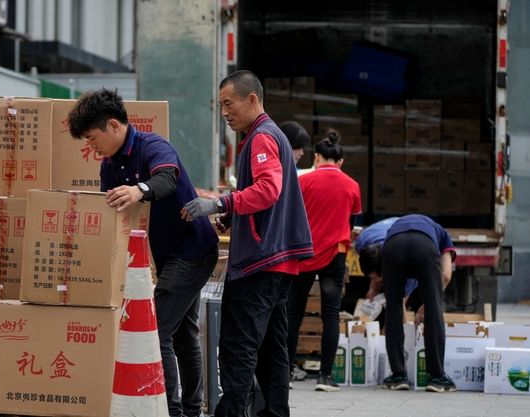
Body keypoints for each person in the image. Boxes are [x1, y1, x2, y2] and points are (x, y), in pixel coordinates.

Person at [67, 88, 218, 417]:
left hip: (192, 249)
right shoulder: (110, 165)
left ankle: (172, 410)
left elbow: (167, 178)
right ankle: (193, 409)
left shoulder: (153, 146)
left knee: (157, 330)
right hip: (163, 256)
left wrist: (139, 189)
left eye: (93, 139)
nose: (91, 148)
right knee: (183, 333)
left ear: (113, 125)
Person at [183, 70, 312, 417]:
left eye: (229, 103)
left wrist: (222, 203)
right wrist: (236, 215)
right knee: (272, 348)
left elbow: (269, 190)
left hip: (260, 261)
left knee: (238, 347)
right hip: (278, 261)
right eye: (221, 105)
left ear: (251, 100)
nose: (225, 112)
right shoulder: (272, 136)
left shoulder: (261, 138)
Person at [286, 130, 362, 392]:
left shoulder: (303, 182)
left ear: (317, 157)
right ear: (340, 162)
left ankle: (285, 372)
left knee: (293, 313)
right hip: (336, 255)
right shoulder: (352, 186)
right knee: (330, 316)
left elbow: (293, 216)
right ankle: (326, 377)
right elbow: (352, 223)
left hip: (304, 253)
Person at [356, 214, 456, 392]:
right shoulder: (443, 234)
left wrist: (373, 288)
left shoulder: (394, 229)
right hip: (424, 247)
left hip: (392, 247)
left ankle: (398, 375)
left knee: (393, 308)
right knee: (434, 309)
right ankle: (437, 377)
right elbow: (446, 276)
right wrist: (427, 305)